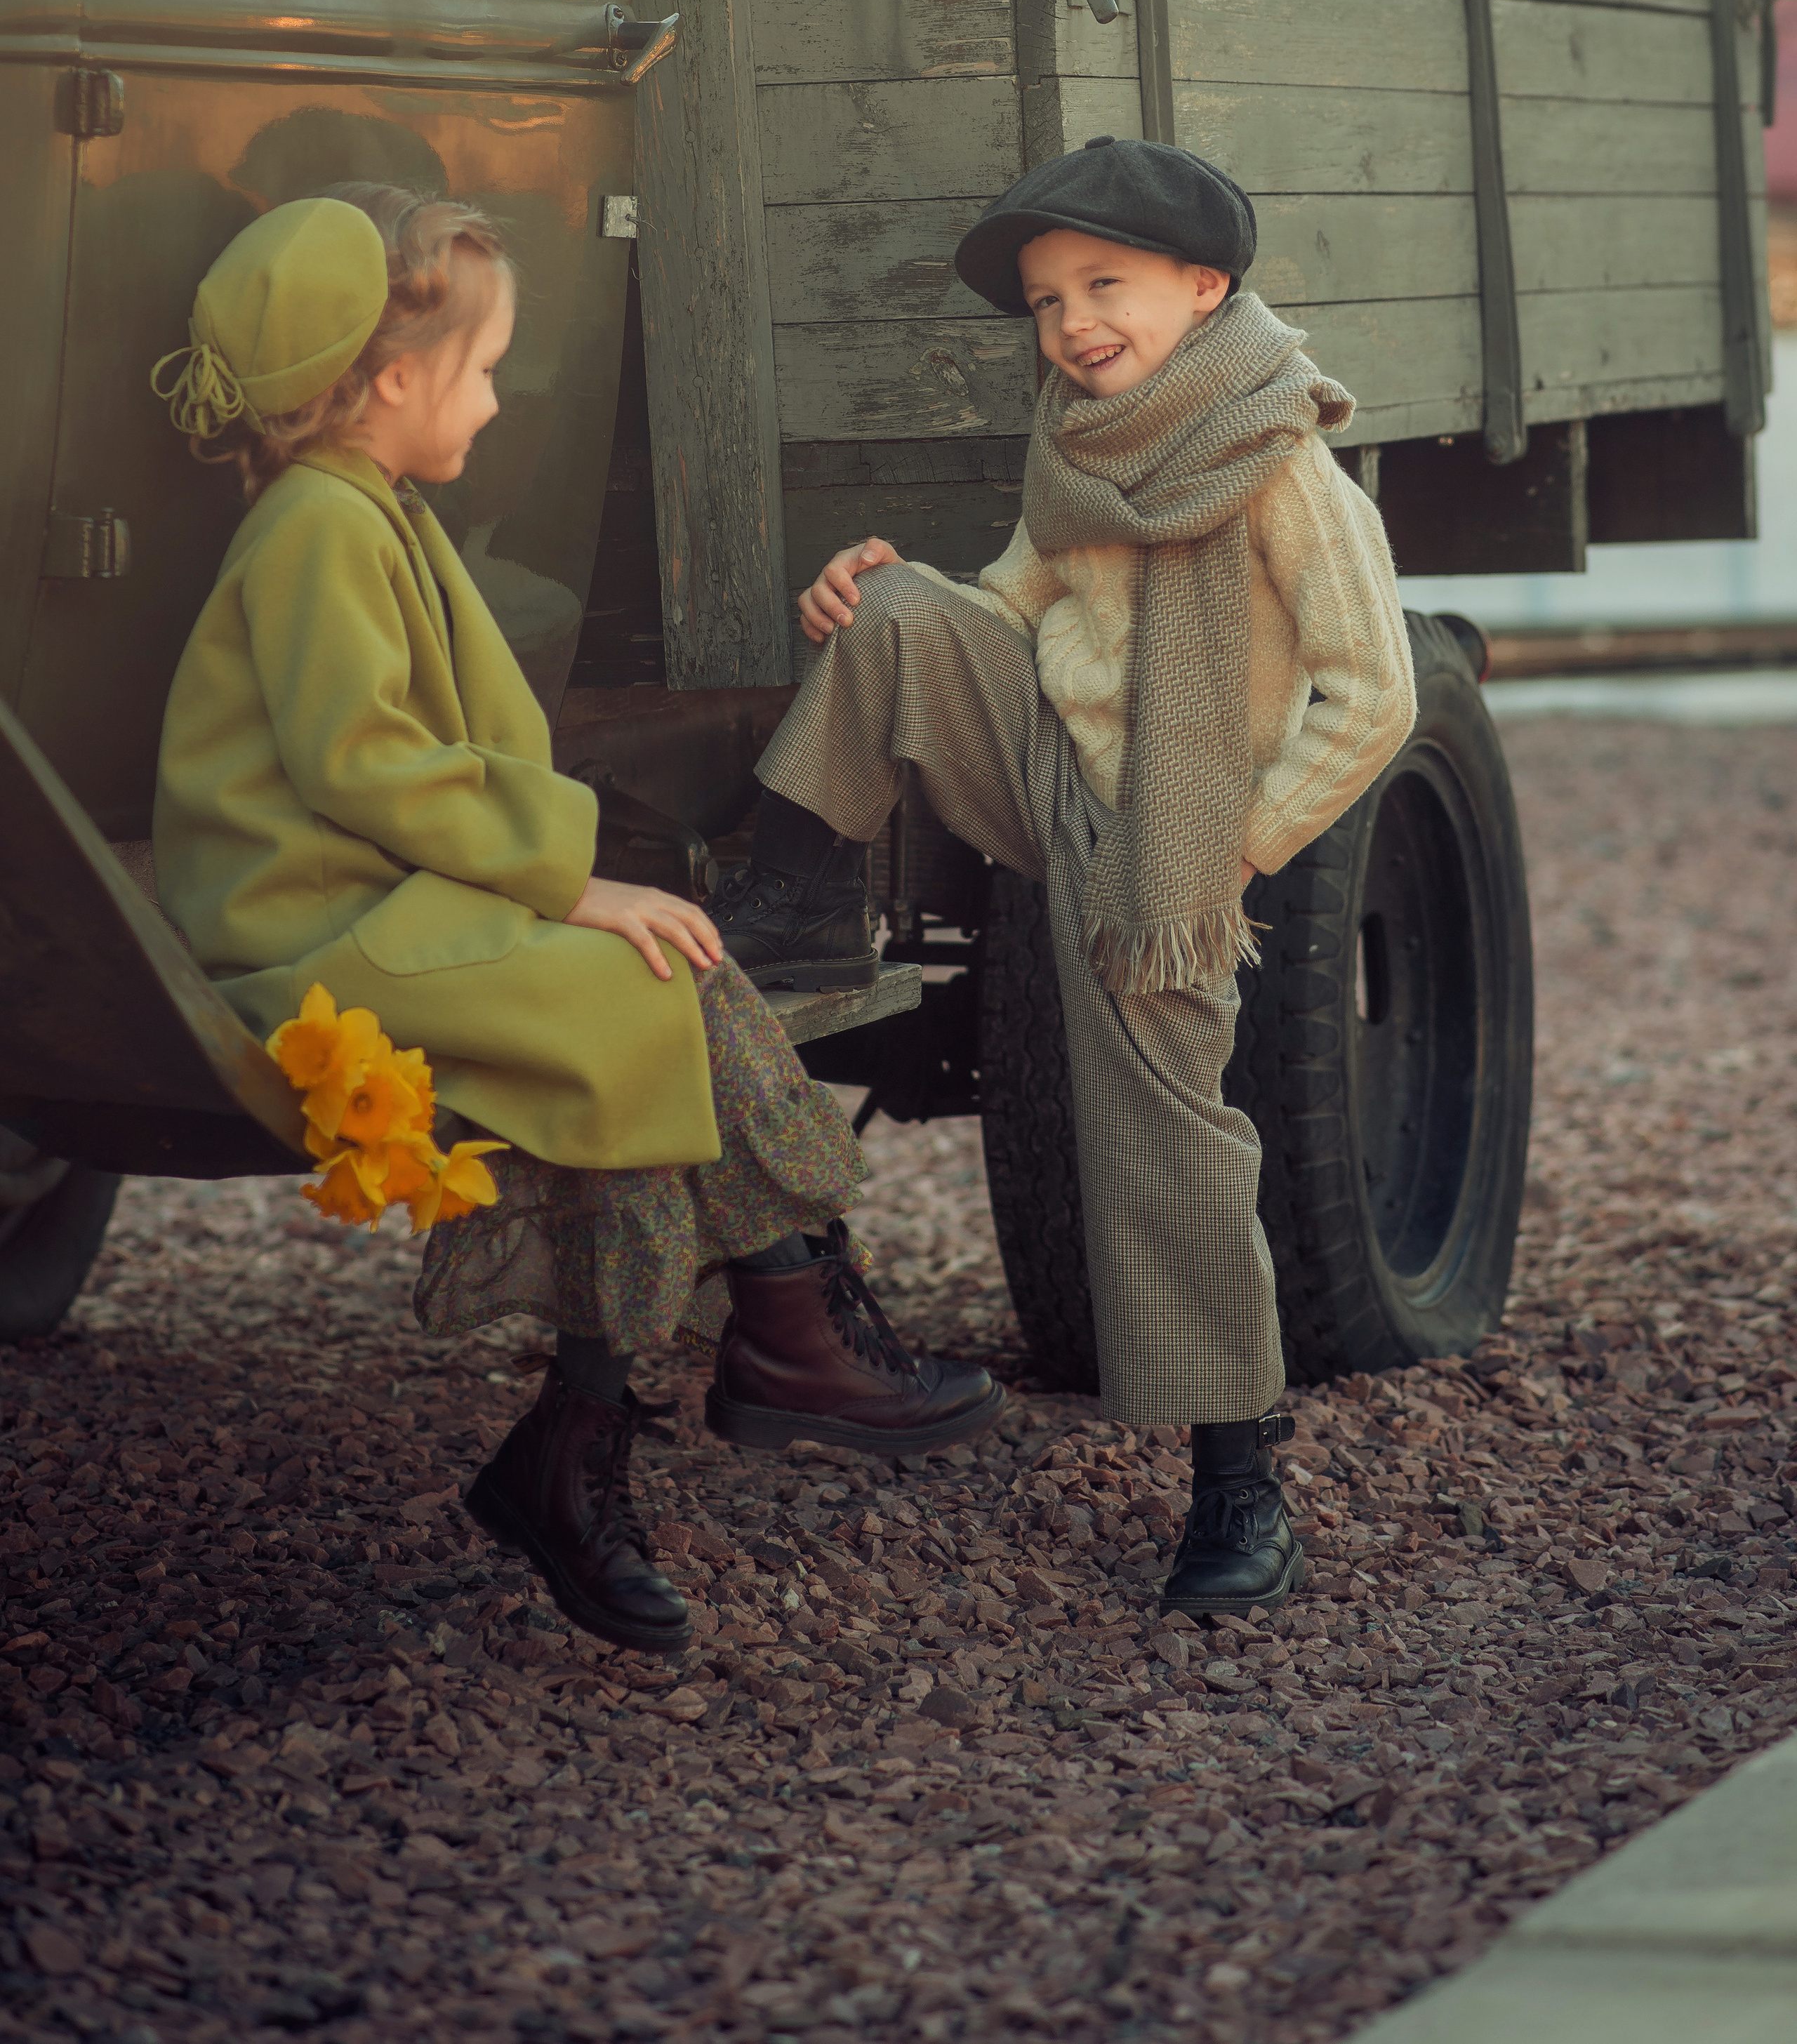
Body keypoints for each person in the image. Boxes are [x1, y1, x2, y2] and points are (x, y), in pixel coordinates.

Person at [151, 184, 1002, 1657]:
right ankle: (758, 1340)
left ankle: (716, 1358)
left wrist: (583, 894)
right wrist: (569, 884)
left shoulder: (365, 505)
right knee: (631, 984)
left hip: (376, 895)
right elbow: (364, 765)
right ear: (390, 381)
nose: (495, 401)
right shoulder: (316, 528)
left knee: (669, 963)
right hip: (309, 929)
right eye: (483, 369)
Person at [712, 136, 1416, 1619]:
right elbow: (1010, 607)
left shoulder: (1282, 460)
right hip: (1051, 764)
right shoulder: (1082, 441)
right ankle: (789, 907)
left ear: (1202, 287)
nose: (1071, 324)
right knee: (894, 608)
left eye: (1103, 286)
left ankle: (1238, 1485)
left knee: (1167, 1139)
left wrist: (1234, 846)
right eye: (1046, 301)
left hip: (1171, 838)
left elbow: (1374, 695)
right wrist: (874, 600)